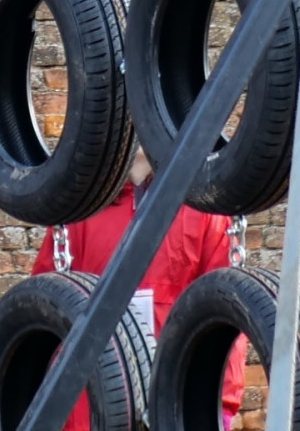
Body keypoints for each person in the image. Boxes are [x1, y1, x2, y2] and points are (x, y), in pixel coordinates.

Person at [33, 149, 247, 431]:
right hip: (94, 408)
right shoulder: (81, 210)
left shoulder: (203, 209)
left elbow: (228, 315)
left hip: (176, 401)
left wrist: (220, 407)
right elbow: (44, 316)